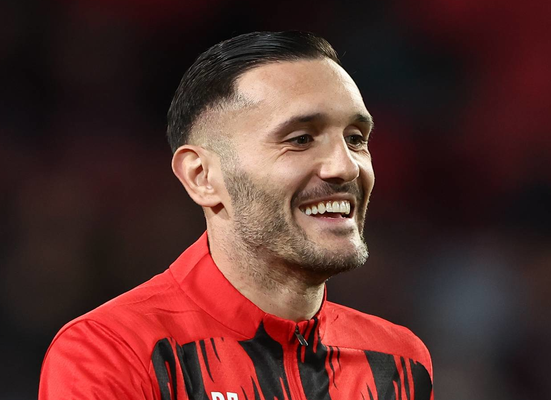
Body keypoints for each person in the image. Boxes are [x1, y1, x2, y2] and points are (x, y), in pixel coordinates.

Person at [39, 31, 434, 400]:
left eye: (355, 139)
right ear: (203, 177)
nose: (346, 167)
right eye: (300, 139)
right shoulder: (114, 351)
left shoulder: (398, 362)